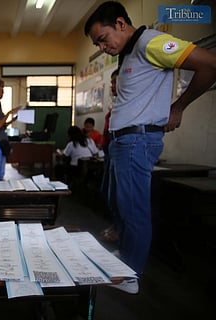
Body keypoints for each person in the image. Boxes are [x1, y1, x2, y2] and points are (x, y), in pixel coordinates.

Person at [84, 1, 216, 294]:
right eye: (97, 44)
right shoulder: (130, 51)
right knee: (120, 204)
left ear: (120, 24)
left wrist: (178, 107)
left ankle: (130, 275)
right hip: (123, 142)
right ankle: (127, 261)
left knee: (134, 211)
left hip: (136, 141)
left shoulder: (151, 42)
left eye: (102, 40)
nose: (102, 48)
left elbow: (209, 64)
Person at [99, 69, 119, 243]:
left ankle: (119, 229)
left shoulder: (128, 106)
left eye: (114, 82)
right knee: (109, 192)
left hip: (116, 151)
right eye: (111, 82)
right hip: (108, 152)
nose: (112, 86)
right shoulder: (116, 106)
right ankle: (116, 225)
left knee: (119, 194)